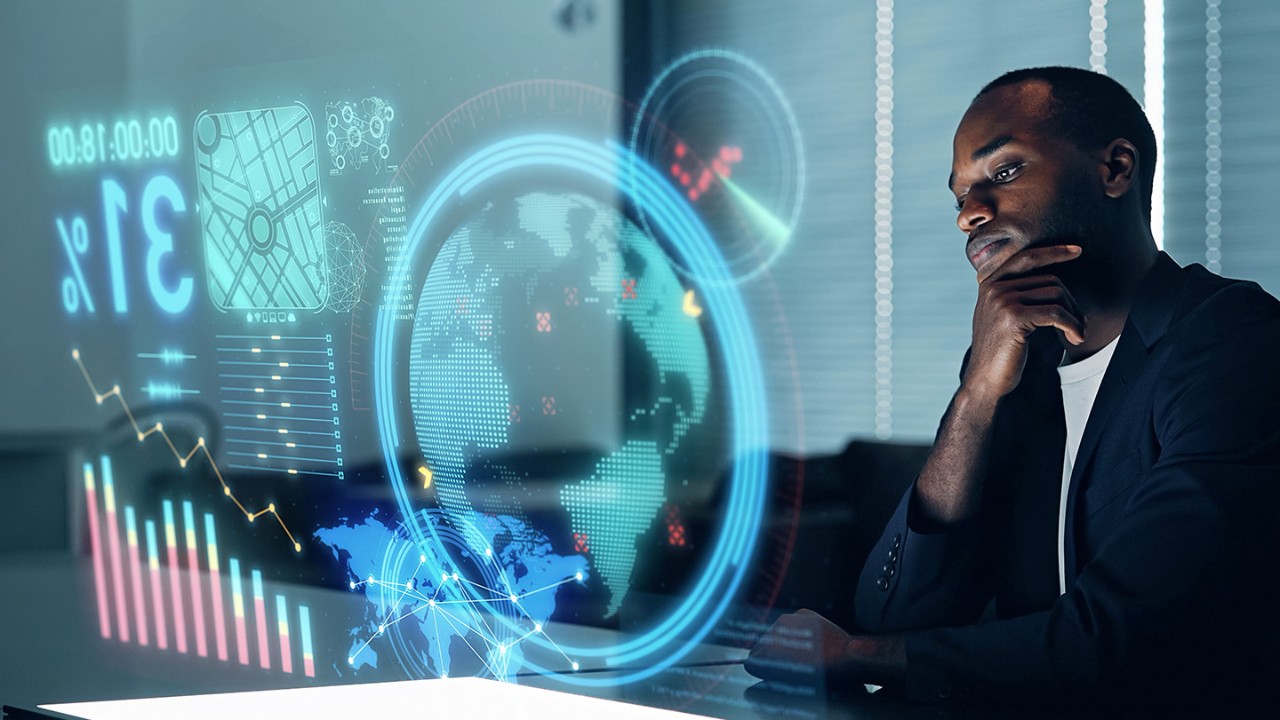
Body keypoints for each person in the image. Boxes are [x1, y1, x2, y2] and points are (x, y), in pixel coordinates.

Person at [746, 66, 1280, 712]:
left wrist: (851, 656)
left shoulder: (1232, 342)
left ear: (1115, 169)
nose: (971, 214)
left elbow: (1117, 638)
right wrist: (976, 396)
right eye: (960, 196)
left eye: (1002, 174)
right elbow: (893, 614)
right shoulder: (1017, 363)